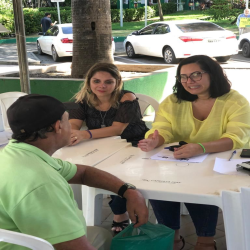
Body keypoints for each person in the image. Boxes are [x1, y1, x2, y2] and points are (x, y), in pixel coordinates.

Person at [0, 94, 148, 250]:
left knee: (100, 235)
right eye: (67, 120)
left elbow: (82, 172)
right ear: (58, 126)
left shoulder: (15, 154)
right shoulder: (42, 183)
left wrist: (128, 191)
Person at [138, 55, 250, 250]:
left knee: (201, 183)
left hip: (223, 160)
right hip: (182, 157)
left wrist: (201, 147)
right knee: (158, 181)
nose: (189, 81)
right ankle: (172, 237)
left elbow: (236, 138)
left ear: (213, 74)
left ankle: (205, 241)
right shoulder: (174, 101)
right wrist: (156, 139)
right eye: (183, 77)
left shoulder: (235, 101)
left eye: (196, 75)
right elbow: (163, 128)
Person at [68, 62, 149, 234]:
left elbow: (118, 129)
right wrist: (73, 133)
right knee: (98, 169)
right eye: (96, 81)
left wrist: (85, 134)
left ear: (117, 82)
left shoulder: (127, 98)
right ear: (89, 82)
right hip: (102, 145)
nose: (102, 86)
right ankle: (119, 209)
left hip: (133, 143)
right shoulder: (83, 99)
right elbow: (73, 124)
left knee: (116, 172)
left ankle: (119, 213)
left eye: (108, 82)